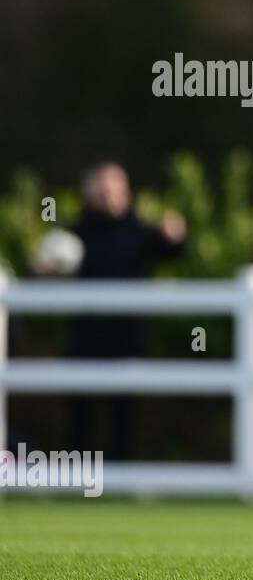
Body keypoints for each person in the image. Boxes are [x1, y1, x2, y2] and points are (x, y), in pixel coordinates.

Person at [33, 162, 187, 457]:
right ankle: (78, 481)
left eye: (114, 188)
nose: (109, 195)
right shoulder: (75, 236)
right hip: (85, 338)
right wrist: (41, 270)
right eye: (102, 189)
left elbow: (172, 250)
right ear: (88, 194)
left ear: (126, 192)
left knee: (125, 416)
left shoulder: (140, 232)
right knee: (79, 415)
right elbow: (41, 271)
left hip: (129, 339)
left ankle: (122, 481)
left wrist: (176, 236)